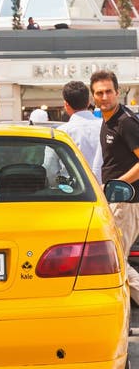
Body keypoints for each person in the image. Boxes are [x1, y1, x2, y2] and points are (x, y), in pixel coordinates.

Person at [89, 69, 139, 308]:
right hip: (114, 199)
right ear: (93, 97)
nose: (105, 96)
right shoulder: (107, 121)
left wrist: (119, 184)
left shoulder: (125, 122)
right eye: (100, 92)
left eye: (109, 91)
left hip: (126, 201)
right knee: (116, 260)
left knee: (116, 260)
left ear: (117, 93)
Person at [44, 81, 102, 184]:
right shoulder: (105, 127)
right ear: (89, 102)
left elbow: (50, 169)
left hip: (74, 192)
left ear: (66, 104)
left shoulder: (61, 133)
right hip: (105, 191)